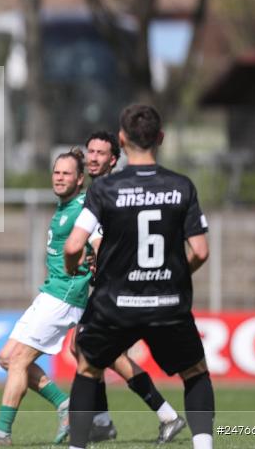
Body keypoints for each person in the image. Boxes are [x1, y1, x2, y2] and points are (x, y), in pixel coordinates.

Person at [63, 105, 214, 449]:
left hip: (117, 304)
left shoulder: (105, 190)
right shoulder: (181, 186)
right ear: (160, 138)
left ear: (121, 139)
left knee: (87, 368)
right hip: (167, 304)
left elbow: (74, 245)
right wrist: (174, 277)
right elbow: (201, 251)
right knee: (195, 373)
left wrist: (73, 269)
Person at [0, 148, 92, 446]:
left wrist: (98, 265)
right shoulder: (65, 206)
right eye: (57, 172)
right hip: (51, 291)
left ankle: (2, 433)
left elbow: (101, 241)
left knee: (17, 361)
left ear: (80, 179)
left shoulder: (82, 209)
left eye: (67, 173)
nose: (60, 177)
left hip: (65, 295)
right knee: (6, 358)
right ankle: (65, 406)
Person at [77, 131, 186, 443]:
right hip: (115, 283)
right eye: (90, 151)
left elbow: (104, 239)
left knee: (101, 350)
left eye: (101, 153)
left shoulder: (109, 191)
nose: (93, 157)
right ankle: (103, 420)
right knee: (86, 347)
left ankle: (165, 414)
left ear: (114, 159)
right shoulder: (102, 189)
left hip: (120, 286)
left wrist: (97, 259)